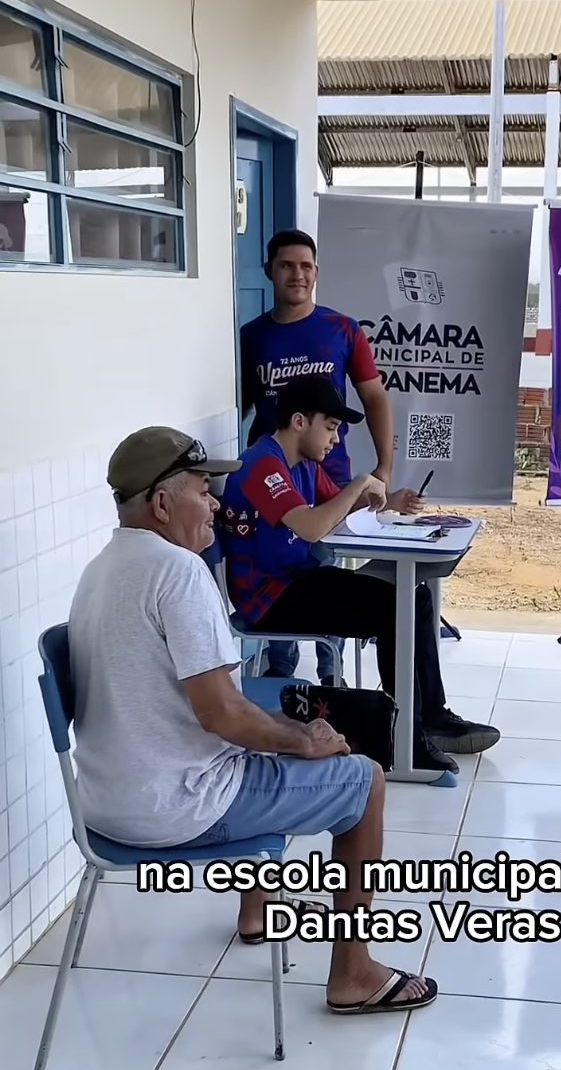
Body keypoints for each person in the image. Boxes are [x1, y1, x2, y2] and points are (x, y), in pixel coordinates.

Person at [68, 426, 436, 1015]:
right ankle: (354, 974)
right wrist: (306, 739)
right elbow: (221, 714)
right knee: (364, 780)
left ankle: (258, 908)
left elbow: (209, 714)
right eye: (202, 490)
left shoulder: (100, 569)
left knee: (266, 743)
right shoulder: (178, 574)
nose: (216, 502)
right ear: (163, 503)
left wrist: (285, 738)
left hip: (105, 805)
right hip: (176, 807)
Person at [219, 378, 501, 774]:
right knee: (393, 608)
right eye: (331, 427)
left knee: (414, 597)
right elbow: (313, 527)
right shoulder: (263, 465)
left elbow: (339, 510)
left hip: (298, 580)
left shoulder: (301, 464)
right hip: (269, 599)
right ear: (299, 421)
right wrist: (357, 485)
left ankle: (432, 717)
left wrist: (390, 503)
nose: (335, 439)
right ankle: (408, 739)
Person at [240, 228, 393, 684]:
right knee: (281, 576)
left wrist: (382, 470)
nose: (297, 274)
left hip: (329, 480)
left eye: (306, 266)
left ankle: (333, 679)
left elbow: (375, 399)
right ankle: (280, 678)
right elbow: (243, 404)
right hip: (273, 486)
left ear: (317, 273)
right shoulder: (251, 337)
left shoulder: (341, 329)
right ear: (269, 271)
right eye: (286, 265)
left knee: (324, 575)